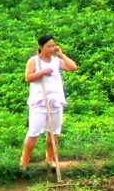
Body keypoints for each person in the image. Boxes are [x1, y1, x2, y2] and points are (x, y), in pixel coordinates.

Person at [20, 35, 78, 171]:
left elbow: (73, 67)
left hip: (55, 101)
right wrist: (42, 72)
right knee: (34, 132)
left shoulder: (56, 61)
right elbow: (28, 78)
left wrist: (61, 54)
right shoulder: (34, 61)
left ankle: (50, 159)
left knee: (54, 132)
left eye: (54, 46)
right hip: (40, 101)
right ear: (41, 47)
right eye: (49, 46)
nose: (52, 49)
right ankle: (24, 161)